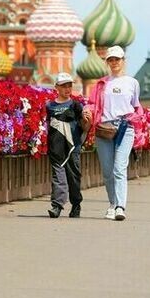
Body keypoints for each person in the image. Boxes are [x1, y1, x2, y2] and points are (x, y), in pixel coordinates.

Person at [87, 45, 144, 221]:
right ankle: (112, 203)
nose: (114, 63)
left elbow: (136, 105)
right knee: (106, 170)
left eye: (117, 59)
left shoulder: (132, 83)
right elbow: (92, 103)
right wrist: (87, 111)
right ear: (107, 62)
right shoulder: (102, 83)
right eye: (110, 60)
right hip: (104, 129)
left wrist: (134, 119)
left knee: (120, 167)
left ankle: (120, 206)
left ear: (123, 61)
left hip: (125, 127)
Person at [46, 73, 91, 218]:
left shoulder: (76, 105)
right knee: (58, 176)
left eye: (69, 85)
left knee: (73, 176)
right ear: (56, 88)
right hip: (56, 147)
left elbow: (84, 127)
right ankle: (57, 206)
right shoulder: (50, 106)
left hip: (73, 147)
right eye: (63, 86)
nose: (67, 88)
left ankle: (76, 204)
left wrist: (87, 120)